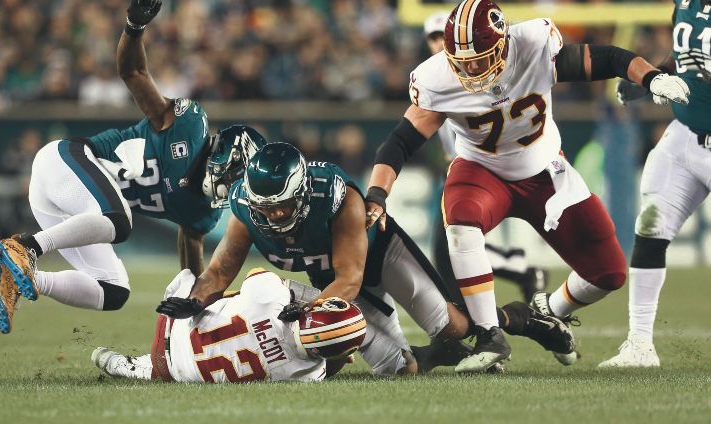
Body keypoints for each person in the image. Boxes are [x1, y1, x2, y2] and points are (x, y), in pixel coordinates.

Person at [364, 0, 690, 372]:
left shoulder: (534, 46)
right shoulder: (436, 78)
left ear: (503, 45)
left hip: (545, 171)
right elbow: (400, 141)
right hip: (481, 170)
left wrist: (651, 77)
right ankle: (490, 336)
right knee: (460, 221)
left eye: (480, 59)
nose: (471, 71)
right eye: (462, 63)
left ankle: (545, 313)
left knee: (609, 273)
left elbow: (610, 58)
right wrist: (377, 194)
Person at [174, 141, 575, 376]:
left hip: (377, 256)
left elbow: (350, 277)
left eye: (282, 206)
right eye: (267, 209)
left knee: (453, 325)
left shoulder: (333, 195)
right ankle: (444, 355)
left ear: (300, 192)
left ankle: (525, 318)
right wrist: (191, 302)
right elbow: (219, 272)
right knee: (397, 369)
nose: (275, 216)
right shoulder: (248, 212)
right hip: (328, 279)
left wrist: (309, 310)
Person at [0, 0, 255, 334]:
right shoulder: (185, 127)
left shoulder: (202, 210)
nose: (230, 186)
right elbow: (133, 73)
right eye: (234, 176)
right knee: (119, 220)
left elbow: (192, 272)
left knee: (113, 291)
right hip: (65, 164)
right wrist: (134, 27)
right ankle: (26, 247)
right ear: (223, 156)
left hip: (74, 212)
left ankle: (25, 278)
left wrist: (196, 304)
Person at [599, 0, 711, 368]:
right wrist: (652, 79)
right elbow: (684, 57)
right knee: (649, 228)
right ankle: (640, 344)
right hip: (684, 139)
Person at [423, 11, 549, 304]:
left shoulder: (484, 74)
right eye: (432, 37)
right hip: (459, 169)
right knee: (449, 249)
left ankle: (511, 280)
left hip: (487, 168)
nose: (438, 43)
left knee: (449, 248)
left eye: (442, 36)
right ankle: (516, 272)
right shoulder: (432, 77)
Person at [93, 269, 366, 383]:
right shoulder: (307, 374)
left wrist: (300, 299)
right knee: (185, 362)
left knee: (201, 278)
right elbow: (328, 363)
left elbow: (256, 274)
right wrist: (339, 349)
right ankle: (131, 367)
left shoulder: (270, 298)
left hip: (168, 326)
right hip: (173, 372)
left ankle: (128, 363)